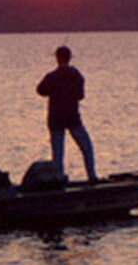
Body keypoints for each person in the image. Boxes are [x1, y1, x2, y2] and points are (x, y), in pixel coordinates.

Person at [36, 45, 98, 182]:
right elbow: (81, 95)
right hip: (72, 118)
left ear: (57, 59)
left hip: (56, 119)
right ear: (69, 58)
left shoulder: (52, 76)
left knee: (58, 153)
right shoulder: (76, 75)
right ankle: (92, 176)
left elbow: (40, 90)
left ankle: (58, 180)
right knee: (86, 147)